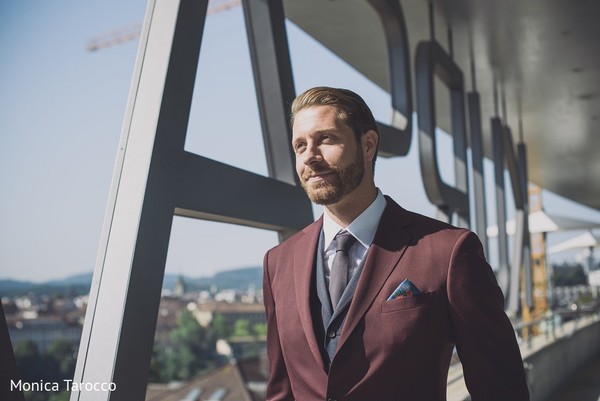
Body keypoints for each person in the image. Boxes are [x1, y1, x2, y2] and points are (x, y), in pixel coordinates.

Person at [262, 86, 530, 401]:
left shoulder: (448, 251)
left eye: (326, 139)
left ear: (368, 145)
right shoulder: (278, 262)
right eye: (300, 145)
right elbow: (281, 391)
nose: (310, 156)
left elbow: (500, 388)